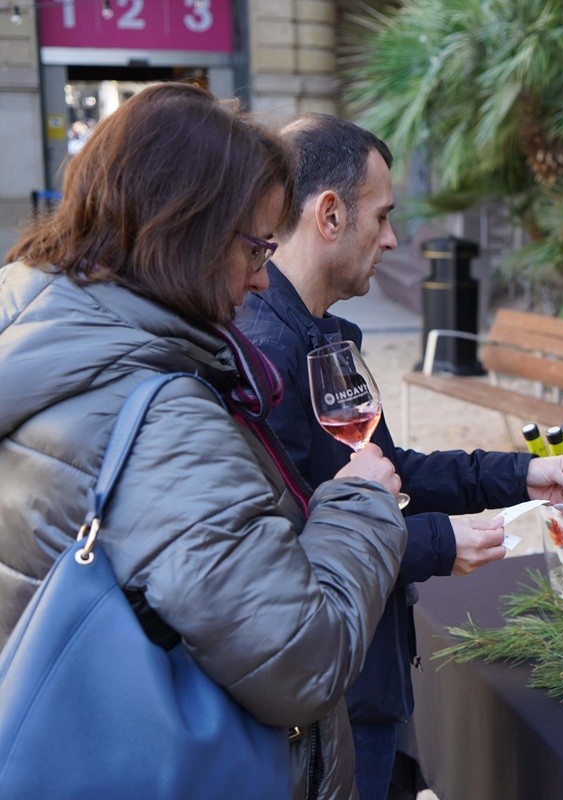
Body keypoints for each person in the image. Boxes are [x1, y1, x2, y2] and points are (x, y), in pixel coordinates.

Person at [0, 83, 406, 799]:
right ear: (185, 233)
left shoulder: (33, 325)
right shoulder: (162, 418)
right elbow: (301, 659)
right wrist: (361, 508)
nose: (260, 277)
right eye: (255, 247)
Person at [234, 113, 563, 800]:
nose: (393, 238)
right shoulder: (268, 357)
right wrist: (438, 543)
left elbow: (394, 474)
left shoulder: (320, 337)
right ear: (330, 215)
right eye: (384, 216)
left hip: (373, 675)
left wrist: (519, 474)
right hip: (332, 697)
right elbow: (289, 553)